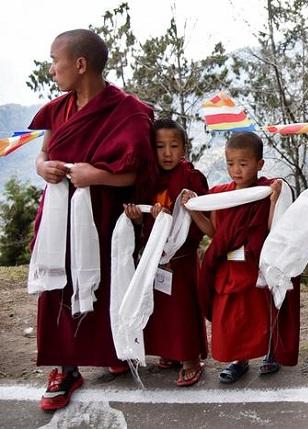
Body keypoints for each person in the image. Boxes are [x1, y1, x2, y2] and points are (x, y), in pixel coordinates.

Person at [29, 29, 155, 411]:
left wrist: (96, 176)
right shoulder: (58, 109)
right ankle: (65, 369)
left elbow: (140, 173)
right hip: (59, 216)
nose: (52, 69)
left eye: (55, 60)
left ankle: (111, 349)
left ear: (80, 64)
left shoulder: (128, 111)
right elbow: (44, 152)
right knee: (59, 289)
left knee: (108, 281)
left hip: (104, 215)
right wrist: (42, 167)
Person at [182, 132, 299, 384]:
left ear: (259, 165)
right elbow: (215, 232)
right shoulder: (221, 194)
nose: (236, 170)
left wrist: (275, 199)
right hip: (227, 265)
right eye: (230, 163)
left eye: (243, 164)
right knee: (232, 317)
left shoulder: (266, 190)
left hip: (253, 265)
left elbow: (271, 228)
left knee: (260, 314)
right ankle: (239, 359)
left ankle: (270, 352)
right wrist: (193, 210)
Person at [123, 119, 208, 386]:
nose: (167, 153)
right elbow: (142, 221)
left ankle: (190, 359)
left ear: (184, 148)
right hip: (153, 257)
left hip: (180, 258)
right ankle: (170, 353)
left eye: (174, 146)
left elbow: (201, 217)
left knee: (181, 309)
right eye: (160, 146)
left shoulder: (192, 178)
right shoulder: (148, 179)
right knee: (159, 309)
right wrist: (137, 219)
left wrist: (181, 211)